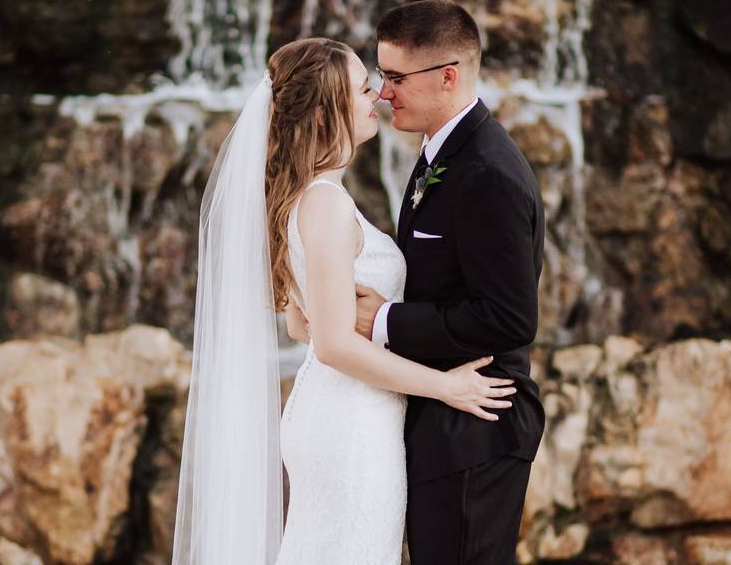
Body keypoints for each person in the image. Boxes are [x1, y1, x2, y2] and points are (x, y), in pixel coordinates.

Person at [171, 36, 517, 565]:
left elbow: (299, 327)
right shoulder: (325, 204)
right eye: (361, 89)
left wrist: (370, 316)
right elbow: (331, 344)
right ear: (321, 114)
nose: (378, 94)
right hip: (353, 425)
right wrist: (448, 386)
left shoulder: (306, 197)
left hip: (335, 411)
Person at [354, 0, 547, 565]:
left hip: (476, 426)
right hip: (444, 418)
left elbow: (510, 319)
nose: (383, 92)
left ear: (448, 76)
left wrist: (384, 320)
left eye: (394, 77)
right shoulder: (445, 151)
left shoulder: (487, 172)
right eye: (380, 74)